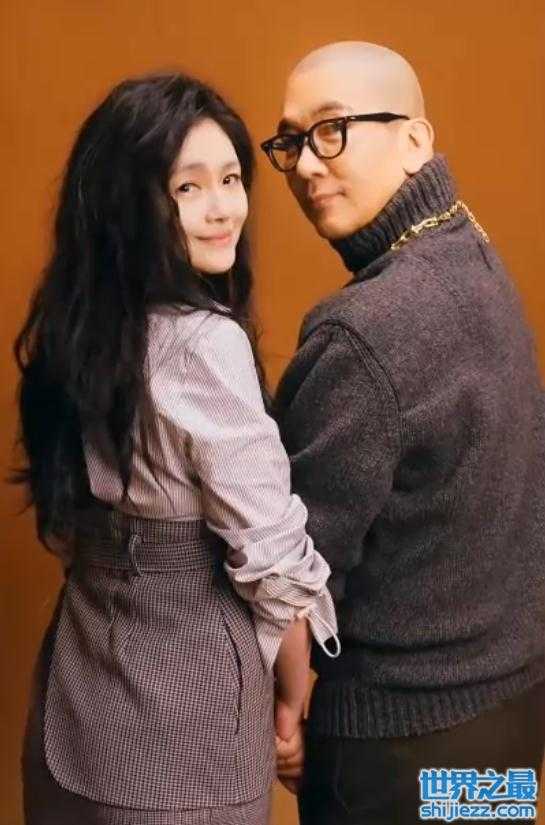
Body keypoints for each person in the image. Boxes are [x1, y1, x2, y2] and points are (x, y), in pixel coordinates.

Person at [14, 71, 339, 825]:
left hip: (74, 714)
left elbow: (70, 531)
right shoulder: (203, 342)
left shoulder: (74, 333)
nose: (223, 207)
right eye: (186, 188)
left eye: (230, 178)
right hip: (186, 743)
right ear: (128, 204)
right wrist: (291, 705)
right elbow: (273, 560)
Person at [260, 41, 545, 823]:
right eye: (290, 141)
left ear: (415, 140)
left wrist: (285, 716)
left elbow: (294, 572)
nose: (305, 165)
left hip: (397, 750)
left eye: (332, 130)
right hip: (512, 722)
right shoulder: (474, 257)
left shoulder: (360, 330)